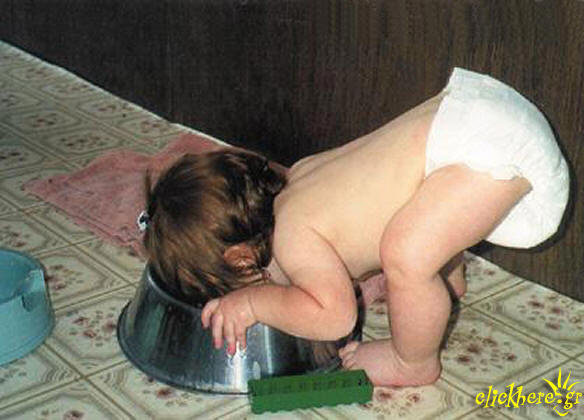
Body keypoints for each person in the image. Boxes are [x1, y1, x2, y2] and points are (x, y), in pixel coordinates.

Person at [142, 68, 570, 387]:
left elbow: (335, 315)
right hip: (480, 116)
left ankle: (413, 363)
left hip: (503, 153)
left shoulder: (291, 237)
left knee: (406, 254)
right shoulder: (299, 175)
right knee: (412, 208)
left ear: (238, 258)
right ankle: (444, 277)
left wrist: (254, 303)